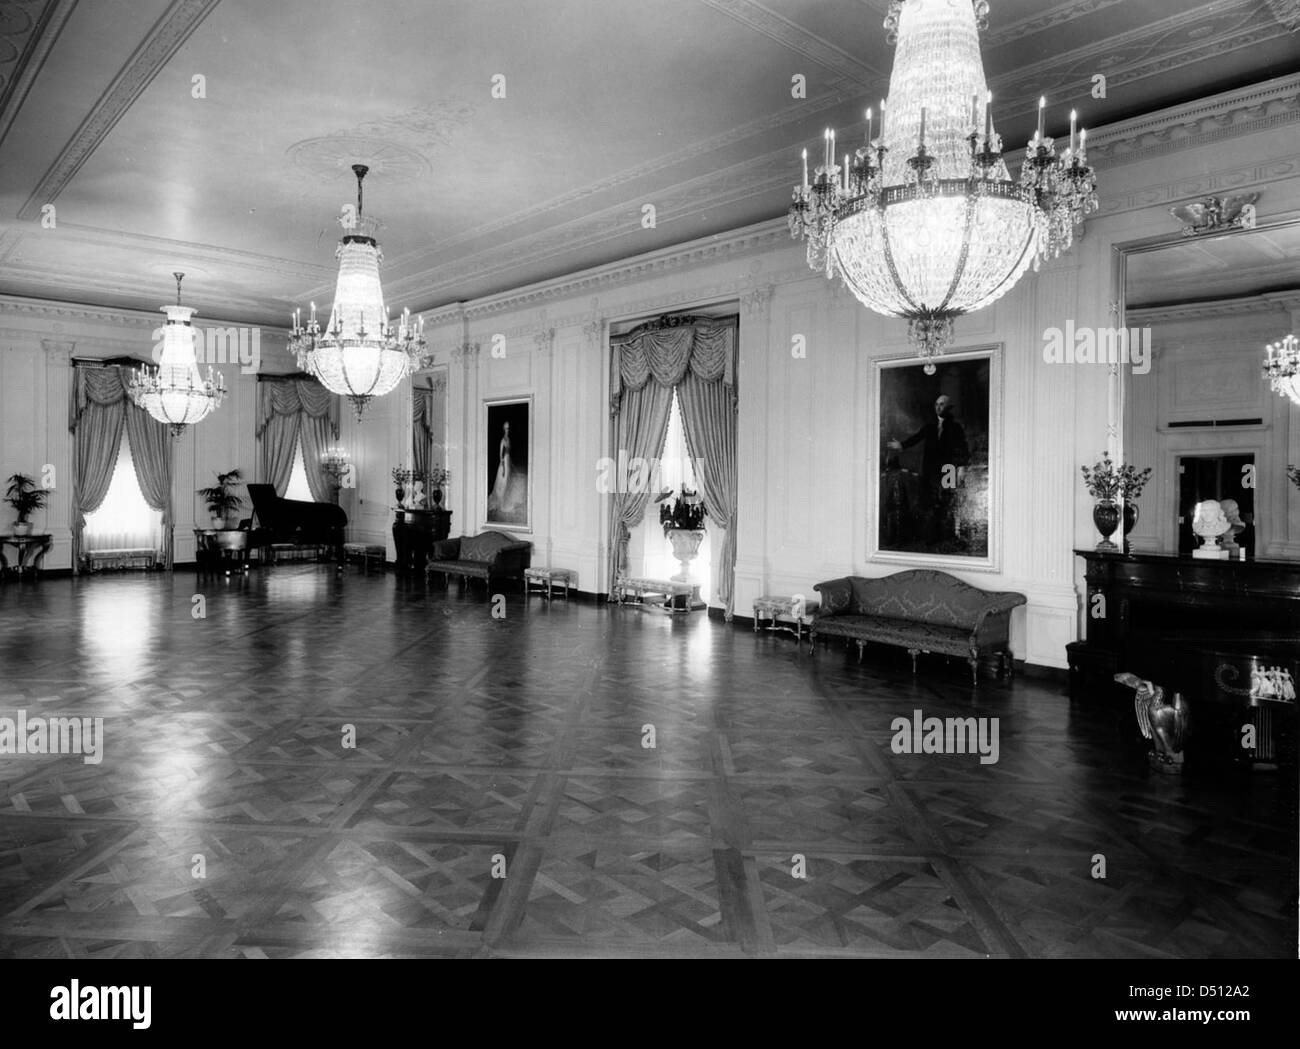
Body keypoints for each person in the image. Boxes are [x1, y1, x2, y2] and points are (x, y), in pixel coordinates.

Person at [888, 394, 970, 547]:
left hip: (949, 469)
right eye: (937, 404)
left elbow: (962, 448)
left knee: (947, 501)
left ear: (949, 407)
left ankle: (950, 535)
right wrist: (902, 445)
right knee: (932, 502)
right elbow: (916, 437)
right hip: (931, 470)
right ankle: (935, 536)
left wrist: (961, 468)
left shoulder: (956, 427)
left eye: (942, 404)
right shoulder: (930, 426)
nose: (938, 407)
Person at [487, 420, 527, 520]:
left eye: (508, 429)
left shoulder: (508, 439)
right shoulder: (503, 440)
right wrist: (503, 467)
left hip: (508, 461)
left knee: (509, 480)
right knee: (503, 482)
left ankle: (505, 498)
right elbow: (501, 455)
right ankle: (501, 501)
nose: (507, 431)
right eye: (506, 429)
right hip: (504, 462)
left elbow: (509, 452)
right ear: (503, 429)